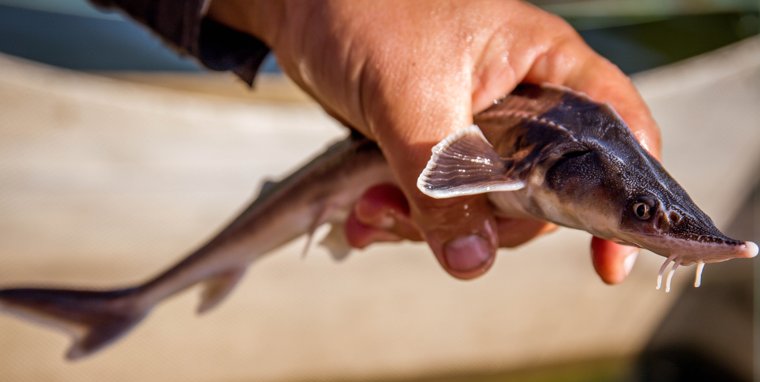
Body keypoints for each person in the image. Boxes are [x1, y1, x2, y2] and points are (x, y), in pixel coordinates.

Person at [93, 0, 660, 282]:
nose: (645, 220)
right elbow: (441, 182)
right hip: (352, 169)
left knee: (376, 211)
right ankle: (134, 300)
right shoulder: (515, 162)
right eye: (639, 210)